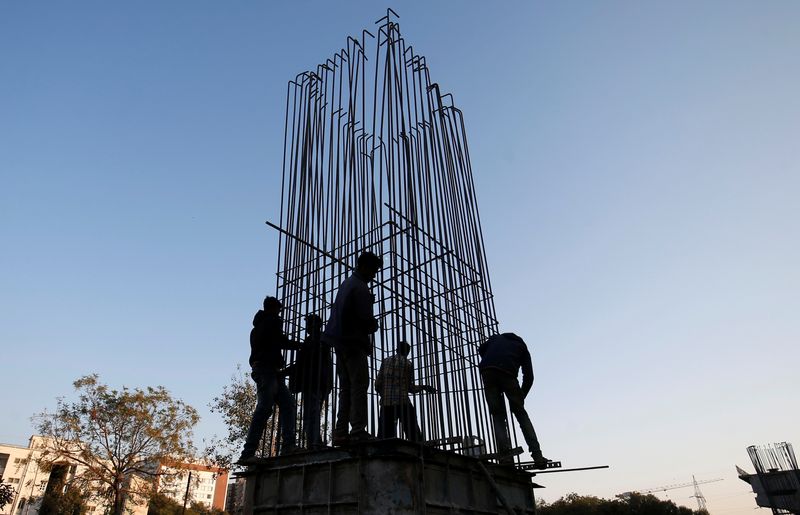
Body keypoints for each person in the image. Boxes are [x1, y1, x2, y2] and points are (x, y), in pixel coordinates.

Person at [323, 251, 382, 445]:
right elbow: (366, 320)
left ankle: (340, 432)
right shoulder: (360, 287)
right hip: (353, 342)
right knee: (359, 385)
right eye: (373, 271)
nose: (374, 276)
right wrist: (374, 324)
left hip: (339, 342)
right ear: (365, 266)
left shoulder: (347, 283)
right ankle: (358, 430)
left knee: (346, 388)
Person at [238, 297, 301, 463]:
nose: (279, 313)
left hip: (269, 371)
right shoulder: (272, 321)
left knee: (287, 404)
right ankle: (248, 453)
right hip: (267, 370)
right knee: (265, 408)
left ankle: (288, 445)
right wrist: (301, 346)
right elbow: (280, 341)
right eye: (278, 310)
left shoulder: (257, 327)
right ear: (273, 309)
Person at [478, 332, 549, 467]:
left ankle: (505, 456)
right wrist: (521, 396)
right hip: (508, 374)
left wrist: (489, 359)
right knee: (521, 415)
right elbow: (529, 377)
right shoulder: (522, 347)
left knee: (497, 415)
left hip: (487, 372)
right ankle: (537, 455)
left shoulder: (496, 339)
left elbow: (481, 349)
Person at [284, 314, 333, 449]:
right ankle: (316, 441)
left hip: (313, 383)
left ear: (315, 326)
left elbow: (301, 364)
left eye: (309, 324)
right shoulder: (323, 340)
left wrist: (284, 372)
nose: (307, 328)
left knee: (310, 414)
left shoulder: (312, 341)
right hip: (322, 383)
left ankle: (314, 443)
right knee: (314, 413)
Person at [375, 340, 436, 442]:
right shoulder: (408, 364)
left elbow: (377, 384)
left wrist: (384, 395)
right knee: (413, 431)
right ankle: (419, 449)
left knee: (385, 436)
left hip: (386, 403)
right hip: (402, 402)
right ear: (407, 352)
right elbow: (410, 388)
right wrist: (424, 387)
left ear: (396, 349)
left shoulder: (385, 361)